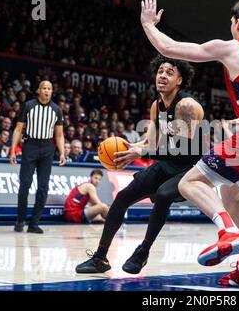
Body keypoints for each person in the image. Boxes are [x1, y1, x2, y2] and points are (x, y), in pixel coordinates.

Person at [140, 0, 239, 288]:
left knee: (190, 183)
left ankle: (228, 231)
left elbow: (168, 49)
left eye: (231, 23)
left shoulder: (233, 47)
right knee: (233, 193)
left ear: (237, 23)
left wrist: (148, 24)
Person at [75, 55, 205, 274]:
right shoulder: (157, 105)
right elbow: (151, 142)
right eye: (160, 71)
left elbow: (182, 147)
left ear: (180, 80)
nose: (162, 75)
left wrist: (142, 151)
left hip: (191, 168)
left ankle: (143, 251)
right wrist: (130, 147)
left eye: (169, 73)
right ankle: (100, 258)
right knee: (122, 198)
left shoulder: (187, 106)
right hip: (166, 163)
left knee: (163, 194)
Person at [10, 80, 66, 234]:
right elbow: (18, 129)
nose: (47, 91)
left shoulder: (56, 110)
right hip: (30, 146)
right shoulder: (28, 106)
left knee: (43, 187)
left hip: (48, 148)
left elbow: (59, 134)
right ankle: (20, 220)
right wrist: (13, 150)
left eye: (49, 88)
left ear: (52, 91)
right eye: (44, 88)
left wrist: (62, 152)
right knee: (25, 184)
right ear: (39, 90)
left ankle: (34, 223)